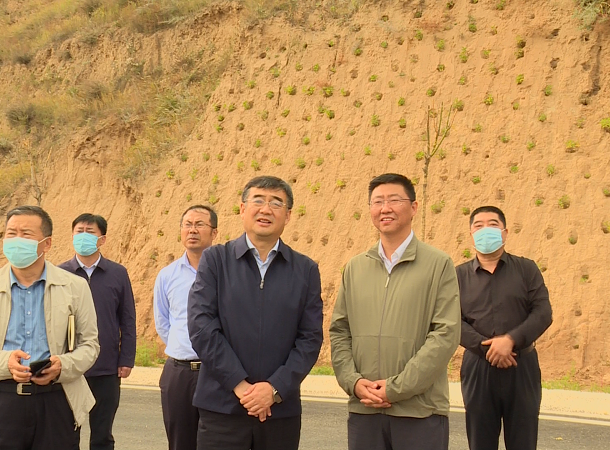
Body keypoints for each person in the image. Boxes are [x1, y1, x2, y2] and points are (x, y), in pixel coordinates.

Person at [0, 206, 100, 450]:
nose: (17, 240)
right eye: (11, 233)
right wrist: (4, 363)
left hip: (55, 402)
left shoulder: (75, 288)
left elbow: (89, 345)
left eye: (26, 234)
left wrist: (63, 365)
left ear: (46, 244)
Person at [187, 176, 323, 450]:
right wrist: (241, 386)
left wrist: (273, 389)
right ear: (242, 209)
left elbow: (310, 338)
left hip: (279, 411)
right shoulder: (216, 260)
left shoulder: (305, 269)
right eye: (258, 200)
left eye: (276, 203)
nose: (266, 209)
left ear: (288, 215)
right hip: (222, 408)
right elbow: (202, 327)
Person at [330, 173, 461, 450]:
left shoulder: (438, 264)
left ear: (413, 207)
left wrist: (396, 388)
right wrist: (354, 382)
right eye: (377, 201)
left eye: (394, 200)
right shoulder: (355, 268)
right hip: (365, 409)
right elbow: (340, 332)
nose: (385, 208)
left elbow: (445, 334)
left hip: (420, 411)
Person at [456, 206, 553, 450]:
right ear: (471, 234)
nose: (485, 230)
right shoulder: (457, 276)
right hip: (478, 367)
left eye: (493, 224)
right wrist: (487, 348)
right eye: (478, 225)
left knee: (523, 442)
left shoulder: (527, 269)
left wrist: (510, 340)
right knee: (480, 442)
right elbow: (452, 321)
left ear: (505, 232)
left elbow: (543, 313)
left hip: (522, 366)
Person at [58, 213, 136, 450]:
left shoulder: (117, 273)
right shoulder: (60, 274)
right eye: (79, 231)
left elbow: (127, 319)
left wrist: (126, 359)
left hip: (106, 366)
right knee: (66, 432)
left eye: (90, 232)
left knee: (102, 435)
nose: (83, 236)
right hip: (69, 366)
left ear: (102, 239)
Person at [154, 205, 218, 450]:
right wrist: (183, 347)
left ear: (214, 232)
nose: (192, 230)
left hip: (217, 372)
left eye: (199, 224)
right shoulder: (167, 275)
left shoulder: (225, 273)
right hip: (179, 373)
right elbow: (163, 322)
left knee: (219, 441)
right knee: (180, 442)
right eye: (187, 225)